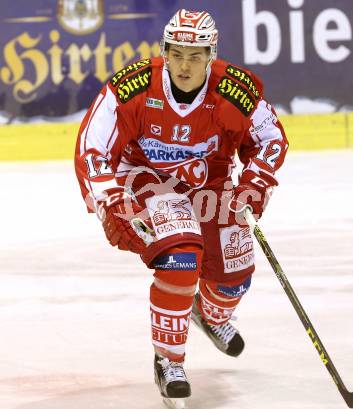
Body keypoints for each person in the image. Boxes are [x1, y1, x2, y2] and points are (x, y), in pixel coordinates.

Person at [74, 8, 288, 405]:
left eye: (195, 55)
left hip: (213, 183)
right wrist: (111, 200)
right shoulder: (133, 86)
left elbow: (271, 139)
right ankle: (169, 360)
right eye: (176, 54)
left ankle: (211, 314)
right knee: (181, 259)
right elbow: (92, 145)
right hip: (148, 180)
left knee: (234, 275)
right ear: (164, 52)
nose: (184, 65)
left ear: (211, 56)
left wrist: (256, 183)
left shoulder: (236, 90)